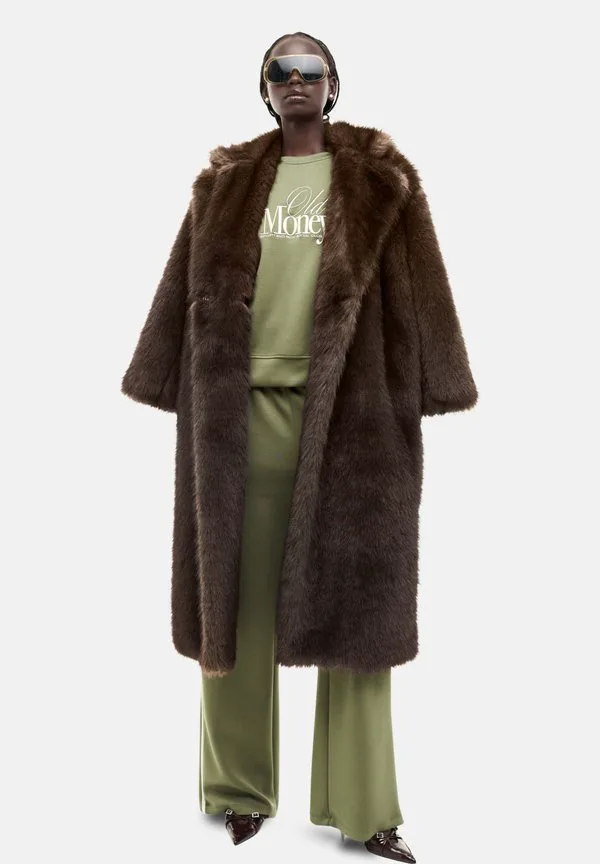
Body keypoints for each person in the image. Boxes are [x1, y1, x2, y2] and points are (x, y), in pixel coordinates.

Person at [122, 28, 478, 862]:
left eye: (309, 70)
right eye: (280, 71)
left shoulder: (381, 180)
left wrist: (436, 379)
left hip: (354, 425)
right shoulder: (226, 182)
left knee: (359, 620)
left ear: (332, 85)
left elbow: (422, 284)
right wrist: (160, 371)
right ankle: (237, 790)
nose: (295, 80)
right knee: (233, 609)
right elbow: (181, 288)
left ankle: (365, 809)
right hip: (234, 423)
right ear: (265, 88)